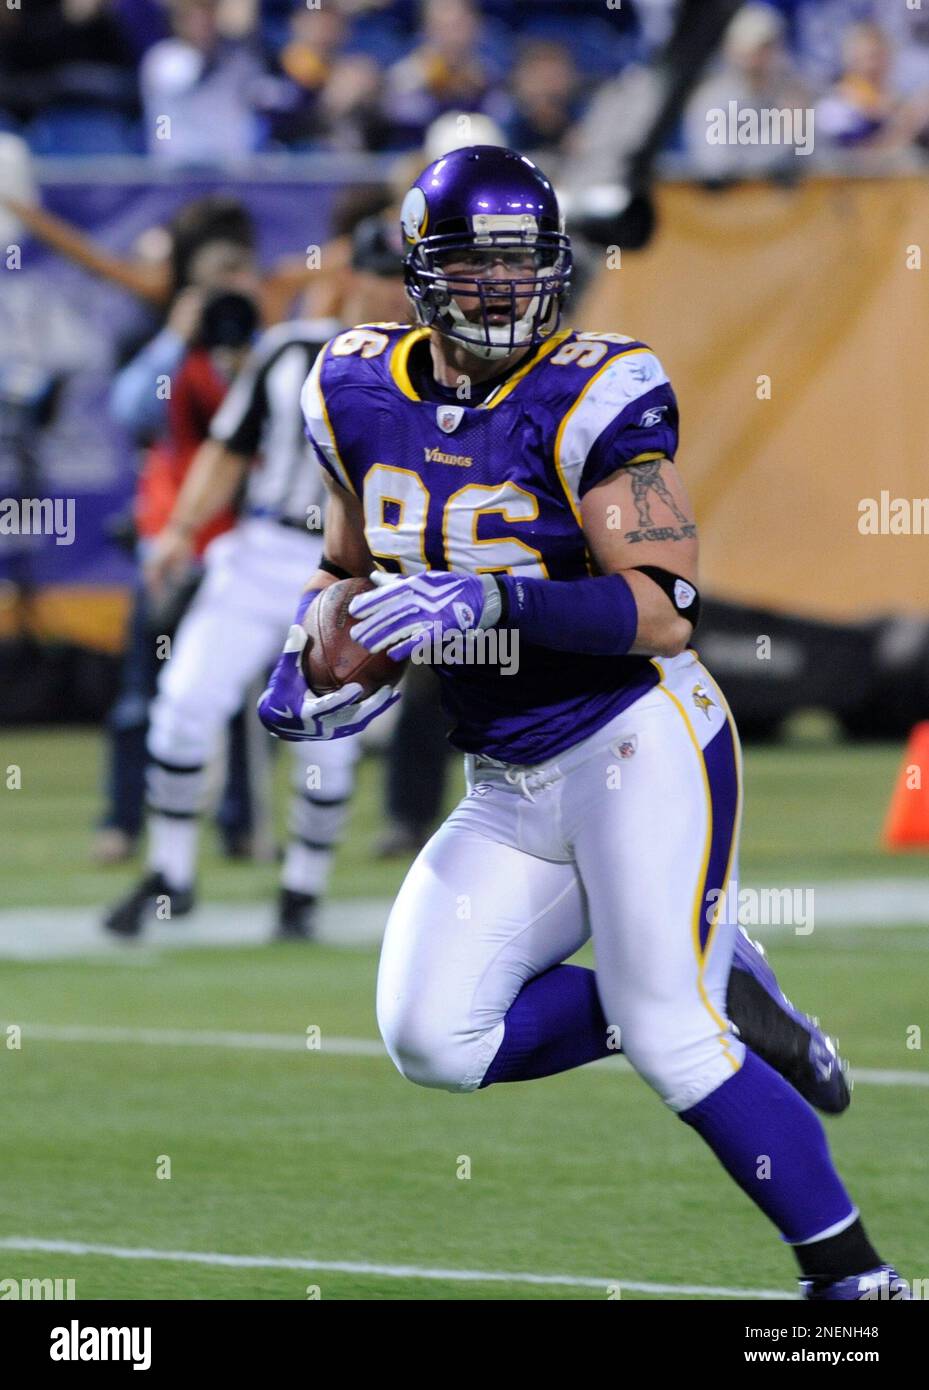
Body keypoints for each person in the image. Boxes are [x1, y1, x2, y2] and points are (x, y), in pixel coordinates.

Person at [257, 145, 906, 1300]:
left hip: (633, 741)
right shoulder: (347, 388)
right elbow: (341, 571)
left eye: (523, 266)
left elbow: (664, 614)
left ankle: (856, 1285)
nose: (504, 291)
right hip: (506, 779)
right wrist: (320, 650)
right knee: (432, 1037)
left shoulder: (596, 388)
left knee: (670, 1036)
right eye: (475, 266)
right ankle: (716, 974)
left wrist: (496, 595)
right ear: (418, 272)